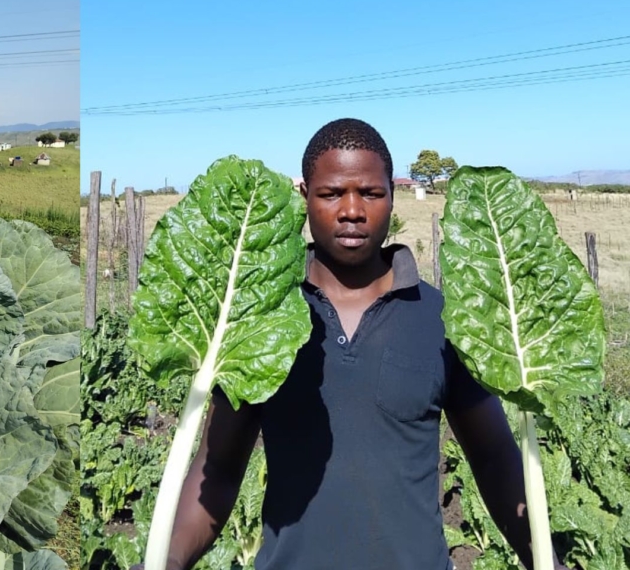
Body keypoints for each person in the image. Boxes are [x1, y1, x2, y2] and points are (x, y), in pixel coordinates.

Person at [138, 118, 571, 570]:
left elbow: (494, 457)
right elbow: (220, 469)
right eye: (331, 194)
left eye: (370, 193)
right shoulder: (259, 321)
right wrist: (168, 560)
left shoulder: (444, 319)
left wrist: (546, 561)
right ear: (304, 196)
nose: (352, 210)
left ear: (392, 195)